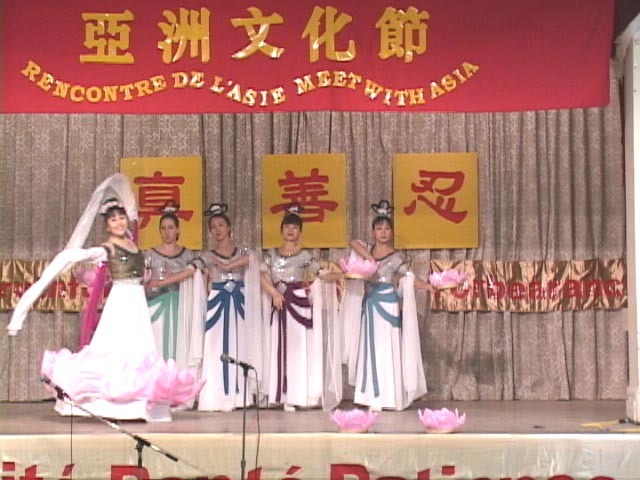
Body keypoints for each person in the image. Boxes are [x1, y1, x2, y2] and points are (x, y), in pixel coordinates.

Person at [6, 174, 203, 421]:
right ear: (107, 225)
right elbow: (78, 256)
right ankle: (112, 405)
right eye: (113, 220)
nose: (119, 222)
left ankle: (140, 405)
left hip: (137, 303)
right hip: (121, 302)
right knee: (117, 350)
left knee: (139, 351)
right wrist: (27, 303)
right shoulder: (107, 248)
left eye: (121, 218)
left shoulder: (133, 244)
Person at [344, 200, 430, 411]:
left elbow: (409, 277)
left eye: (387, 228)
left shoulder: (395, 257)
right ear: (373, 231)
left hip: (387, 303)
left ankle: (388, 397)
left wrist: (428, 286)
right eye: (379, 228)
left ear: (391, 232)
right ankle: (370, 396)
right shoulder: (367, 250)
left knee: (386, 348)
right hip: (370, 304)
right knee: (370, 347)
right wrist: (370, 260)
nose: (383, 232)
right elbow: (353, 242)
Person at [260, 205, 341, 412]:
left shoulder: (305, 256)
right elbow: (261, 276)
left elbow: (322, 273)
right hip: (279, 301)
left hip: (297, 302)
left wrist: (343, 274)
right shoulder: (271, 254)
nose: (290, 230)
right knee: (278, 346)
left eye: (295, 227)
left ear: (300, 232)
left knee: (298, 348)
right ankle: (280, 393)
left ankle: (296, 394)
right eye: (287, 226)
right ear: (281, 229)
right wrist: (274, 293)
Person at [197, 203, 262, 412]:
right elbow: (195, 271)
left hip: (239, 302)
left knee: (240, 343)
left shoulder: (243, 252)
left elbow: (254, 260)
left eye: (221, 225)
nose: (217, 230)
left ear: (229, 228)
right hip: (218, 302)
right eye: (213, 227)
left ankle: (240, 396)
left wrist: (227, 266)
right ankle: (216, 396)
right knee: (215, 345)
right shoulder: (207, 255)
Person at [144, 201, 202, 369]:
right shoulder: (150, 254)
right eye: (163, 228)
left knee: (179, 346)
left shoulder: (188, 254)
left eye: (170, 228)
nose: (167, 232)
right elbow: (145, 282)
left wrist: (166, 280)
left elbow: (193, 275)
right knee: (158, 344)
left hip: (180, 307)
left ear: (178, 230)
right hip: (157, 305)